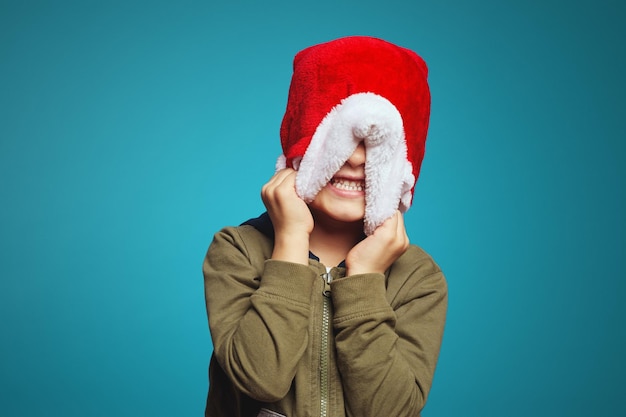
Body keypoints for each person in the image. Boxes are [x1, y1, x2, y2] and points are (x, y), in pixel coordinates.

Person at [203, 36, 448, 417]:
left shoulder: (418, 278)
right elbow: (259, 379)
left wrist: (365, 280)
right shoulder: (238, 250)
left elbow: (392, 412)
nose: (353, 159)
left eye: (374, 144)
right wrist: (289, 239)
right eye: (339, 137)